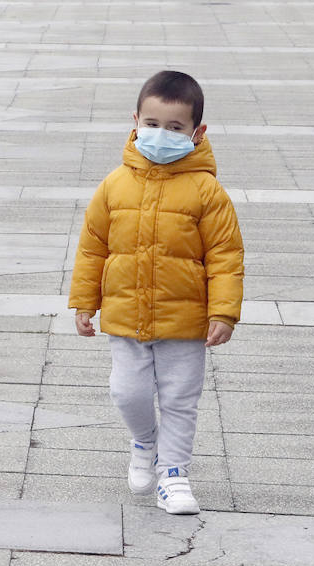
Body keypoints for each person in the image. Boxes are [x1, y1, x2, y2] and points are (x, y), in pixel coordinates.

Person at [69, 70, 244, 516]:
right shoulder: (114, 184)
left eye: (174, 128)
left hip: (186, 322)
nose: (160, 135)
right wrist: (84, 301)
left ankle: (174, 473)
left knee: (181, 399)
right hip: (127, 317)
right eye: (151, 124)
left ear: (196, 132)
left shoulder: (208, 192)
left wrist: (223, 312)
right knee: (128, 393)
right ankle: (145, 441)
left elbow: (225, 254)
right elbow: (93, 246)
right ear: (134, 121)